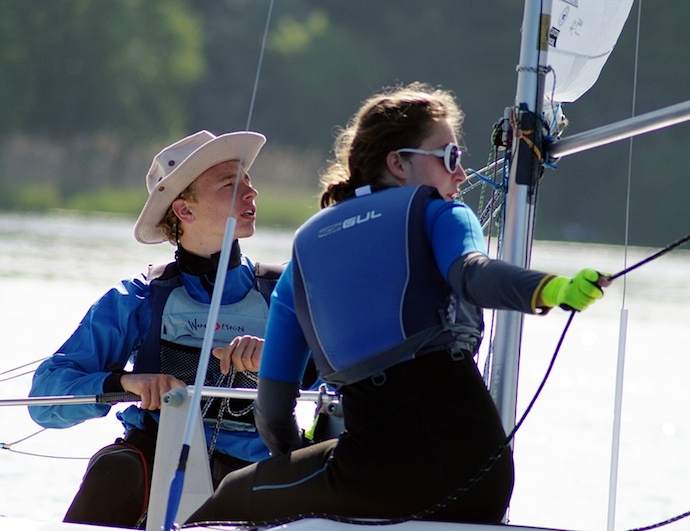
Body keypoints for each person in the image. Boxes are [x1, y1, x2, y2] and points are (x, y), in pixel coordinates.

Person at [185, 83, 607, 526]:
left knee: (232, 497)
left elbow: (272, 414)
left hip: (376, 477)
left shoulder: (305, 253)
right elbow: (473, 275)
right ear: (398, 163)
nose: (461, 174)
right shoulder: (441, 214)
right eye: (449, 157)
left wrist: (299, 463)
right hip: (479, 478)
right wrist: (554, 289)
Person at [28, 130, 286, 528]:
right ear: (184, 210)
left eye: (249, 182)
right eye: (230, 185)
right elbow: (43, 400)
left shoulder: (284, 291)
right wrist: (124, 383)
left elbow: (339, 379)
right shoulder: (138, 297)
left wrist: (276, 358)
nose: (252, 193)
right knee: (114, 469)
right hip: (154, 459)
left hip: (257, 467)